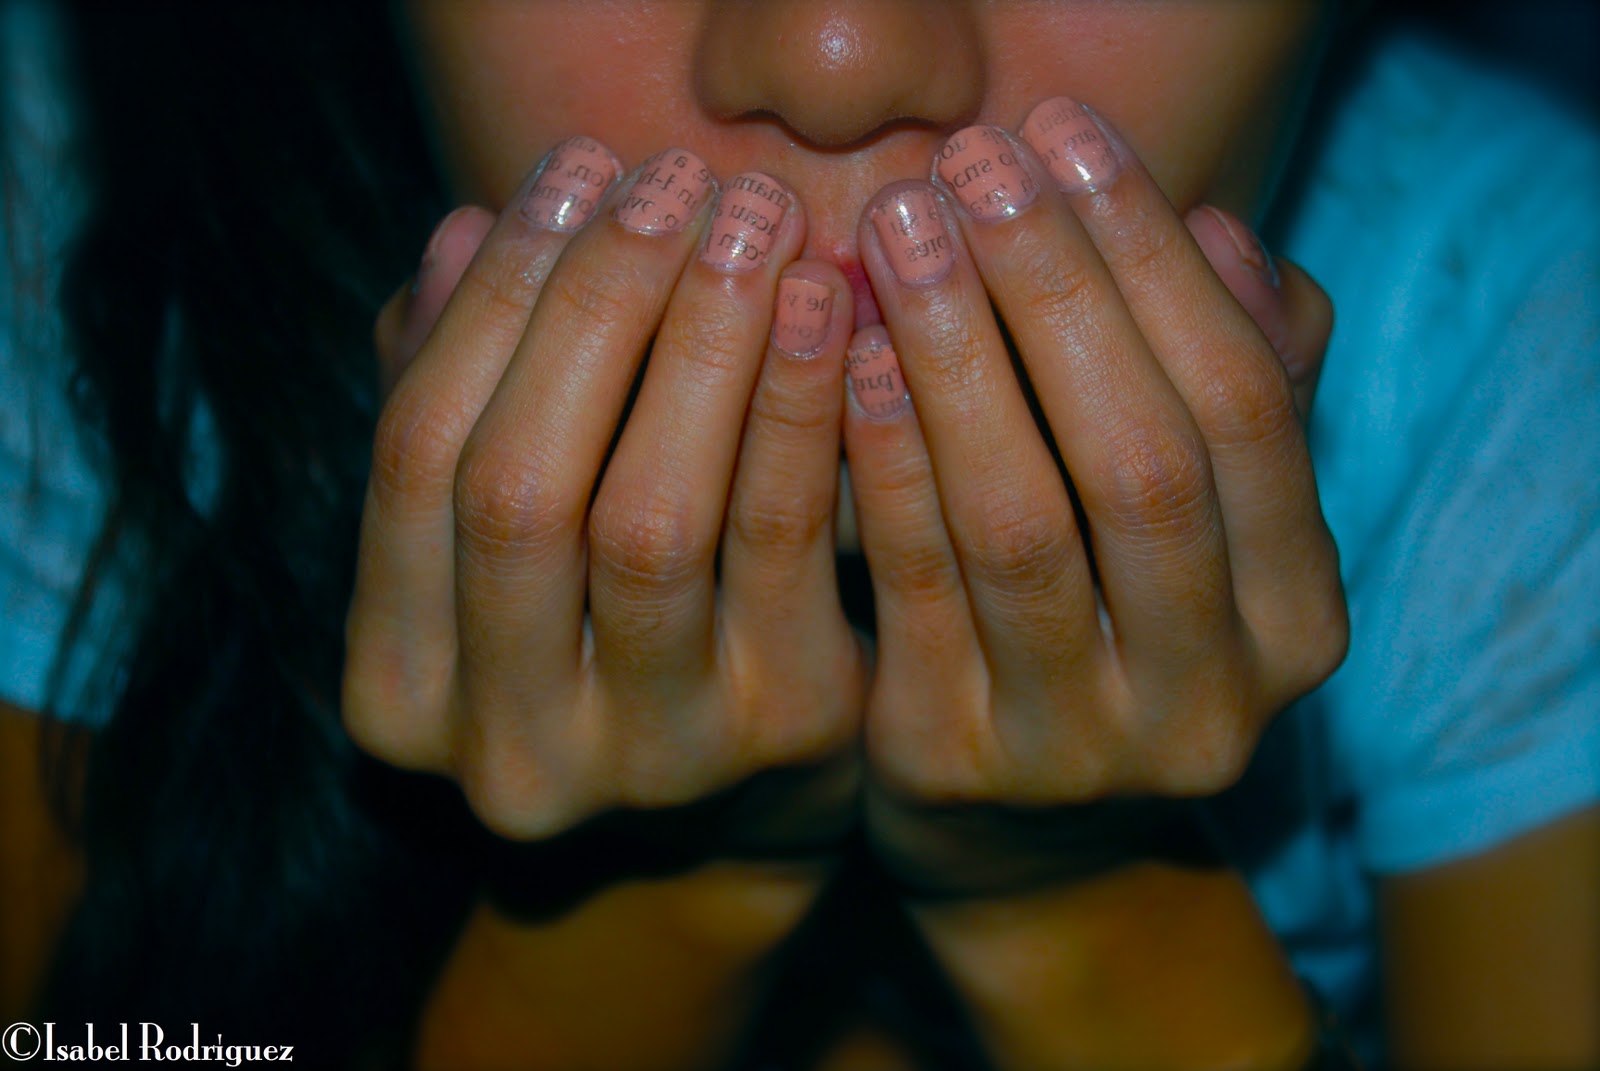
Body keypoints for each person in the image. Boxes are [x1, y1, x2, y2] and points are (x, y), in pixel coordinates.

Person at [2, 1, 1596, 1067]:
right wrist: (657, 897)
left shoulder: (1538, 362)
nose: (840, 61)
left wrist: (1067, 904)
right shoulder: (71, 245)